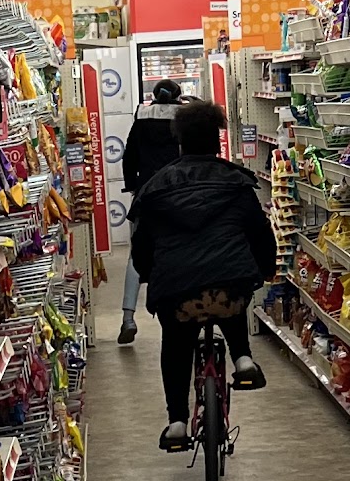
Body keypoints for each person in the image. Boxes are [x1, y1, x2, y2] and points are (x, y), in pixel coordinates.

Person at [128, 98, 274, 452]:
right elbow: (260, 235)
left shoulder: (155, 188)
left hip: (177, 293)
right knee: (230, 295)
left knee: (175, 345)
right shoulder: (238, 183)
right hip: (230, 287)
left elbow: (141, 247)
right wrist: (263, 271)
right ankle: (242, 357)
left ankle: (177, 422)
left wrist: (150, 275)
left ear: (180, 142)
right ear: (217, 141)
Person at [117, 80, 183, 345]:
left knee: (137, 254)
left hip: (147, 195)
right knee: (182, 250)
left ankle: (128, 318)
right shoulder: (184, 119)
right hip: (178, 195)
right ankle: (181, 308)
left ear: (154, 96)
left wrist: (134, 185)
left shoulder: (141, 116)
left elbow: (129, 156)